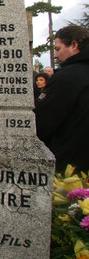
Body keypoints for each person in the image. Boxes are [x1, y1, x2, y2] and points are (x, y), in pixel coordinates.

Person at [34, 26, 89, 171]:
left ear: (74, 45)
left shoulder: (67, 77)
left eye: (58, 49)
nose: (55, 55)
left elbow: (42, 121)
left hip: (70, 167)